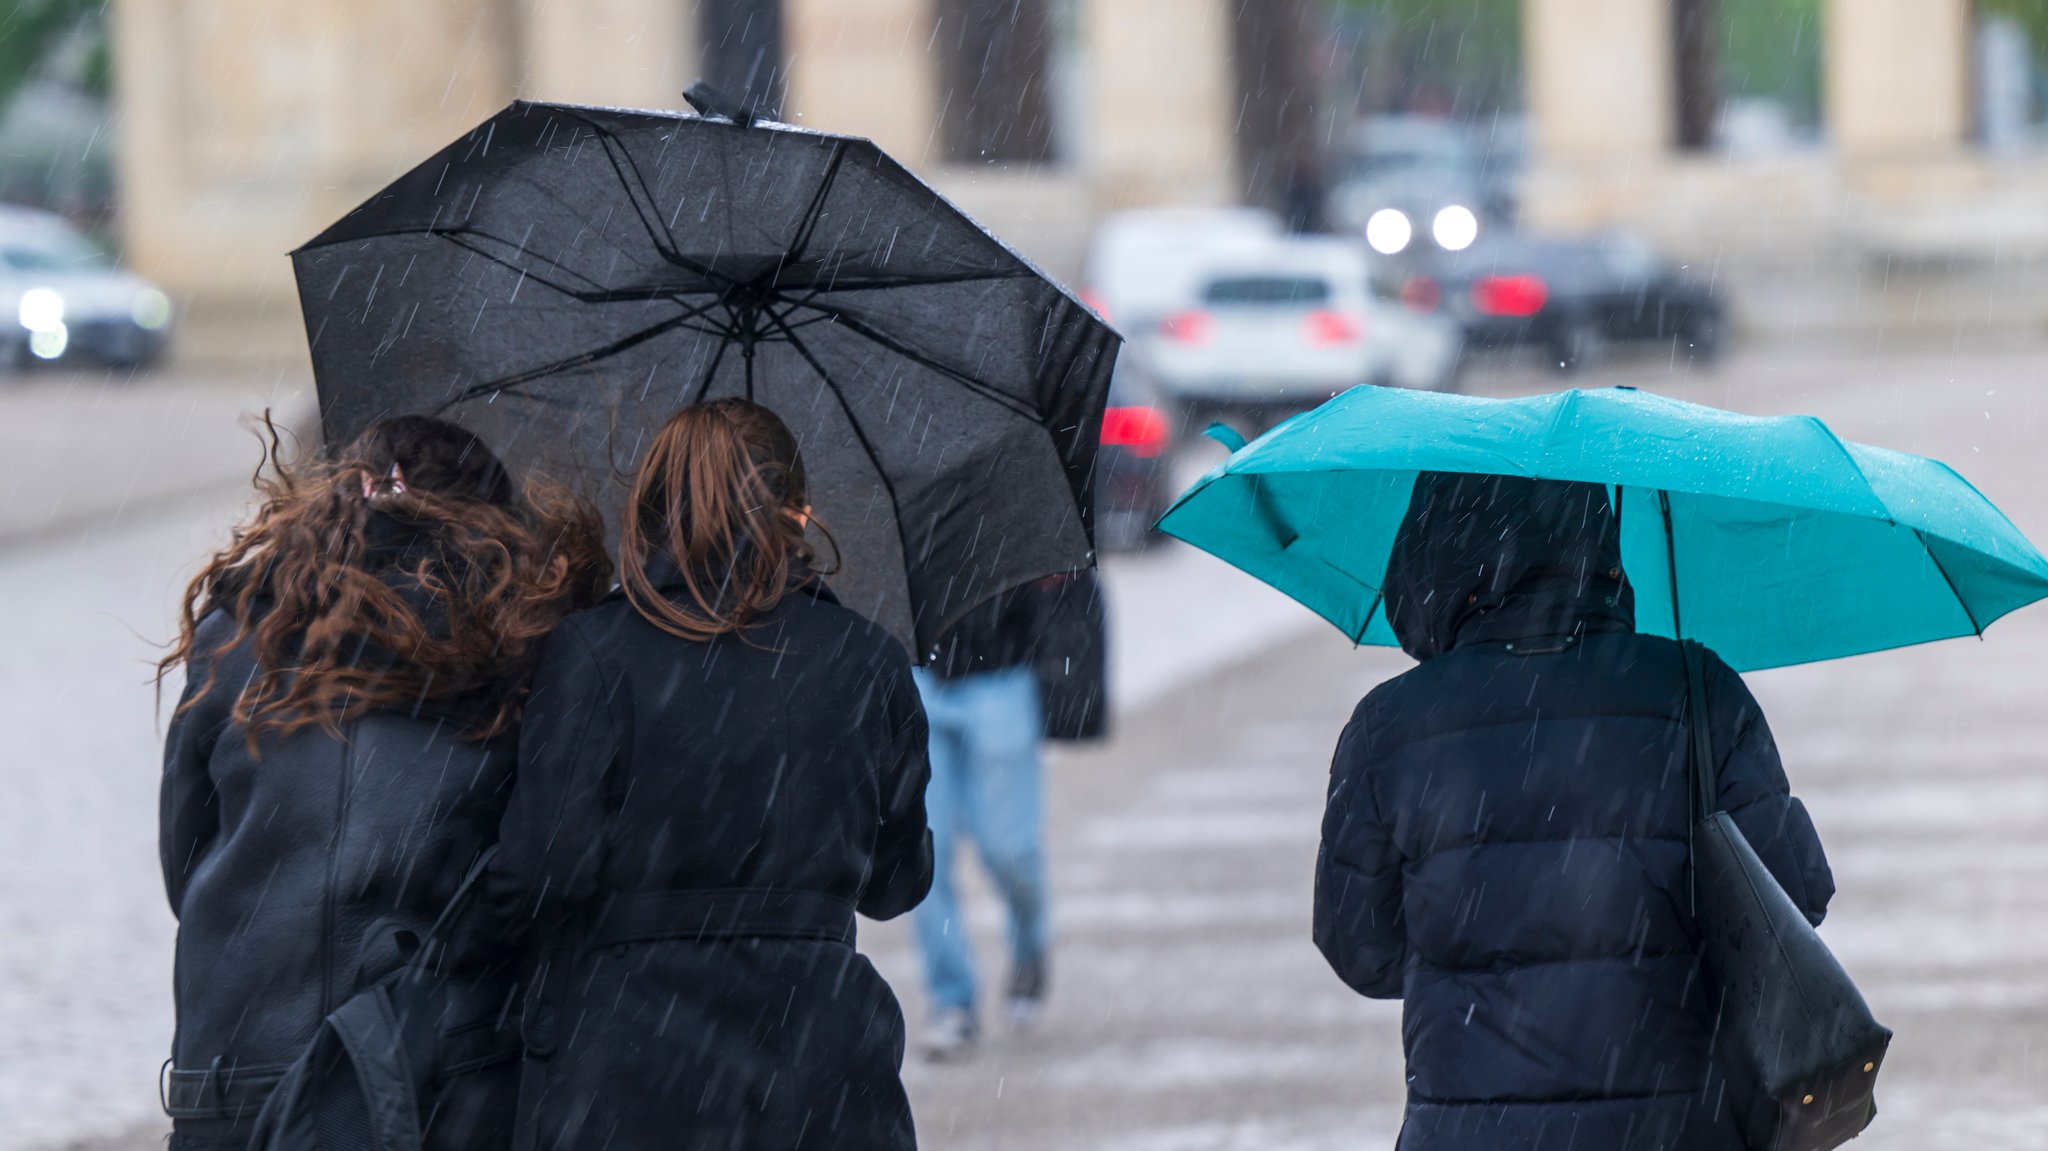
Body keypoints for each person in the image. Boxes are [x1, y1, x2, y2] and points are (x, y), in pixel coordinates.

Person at [1313, 473, 1835, 1151]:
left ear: (1429, 559)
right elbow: (1795, 899)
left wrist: (1474, 962)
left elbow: (1358, 945)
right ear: (1601, 546)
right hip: (1678, 1128)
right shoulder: (1696, 690)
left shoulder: (1388, 725)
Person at [488, 398, 933, 1150]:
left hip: (634, 1058)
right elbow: (896, 885)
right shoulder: (868, 658)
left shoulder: (596, 650)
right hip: (819, 1063)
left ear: (653, 511)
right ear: (799, 514)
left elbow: (547, 866)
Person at [157, 415, 609, 1151]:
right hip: (423, 1078)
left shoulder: (236, 632)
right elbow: (538, 871)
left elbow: (186, 861)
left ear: (337, 498)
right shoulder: (515, 646)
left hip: (233, 1074)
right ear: (491, 519)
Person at [912, 569, 1106, 1060]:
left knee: (1009, 849)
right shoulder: (895, 497)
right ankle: (951, 1000)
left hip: (1002, 675)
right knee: (923, 855)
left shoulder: (1013, 495)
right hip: (917, 678)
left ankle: (1029, 949)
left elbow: (1069, 573)